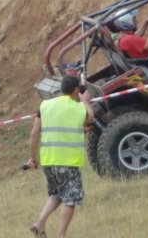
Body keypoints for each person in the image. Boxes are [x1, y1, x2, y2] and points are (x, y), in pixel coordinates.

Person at [26, 74, 94, 238]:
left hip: (48, 161)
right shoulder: (78, 108)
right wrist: (84, 101)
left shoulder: (45, 105)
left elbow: (34, 134)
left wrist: (33, 158)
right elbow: (91, 118)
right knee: (71, 199)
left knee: (56, 194)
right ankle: (61, 234)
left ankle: (39, 224)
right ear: (76, 90)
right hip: (68, 161)